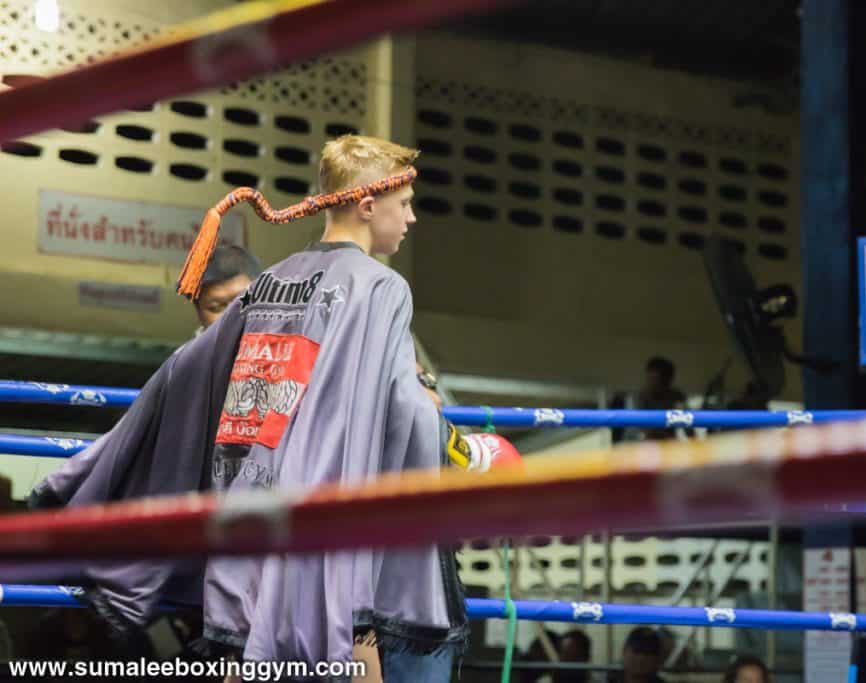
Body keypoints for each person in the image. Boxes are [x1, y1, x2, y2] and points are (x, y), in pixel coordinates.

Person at [19, 134, 523, 680]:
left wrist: (82, 473)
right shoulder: (382, 287)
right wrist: (464, 455)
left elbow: (179, 379)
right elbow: (405, 411)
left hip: (242, 523)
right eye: (405, 204)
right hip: (321, 531)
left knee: (244, 658)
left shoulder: (266, 284)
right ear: (367, 204)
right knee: (355, 655)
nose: (413, 218)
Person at [611, 356, 688, 442]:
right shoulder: (638, 397)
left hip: (666, 446)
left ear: (668, 380)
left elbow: (687, 423)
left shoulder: (676, 397)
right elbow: (644, 431)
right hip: (636, 444)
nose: (653, 383)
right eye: (651, 379)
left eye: (658, 380)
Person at [192, 244, 262, 333]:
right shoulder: (195, 347)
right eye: (216, 307)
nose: (232, 317)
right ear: (199, 314)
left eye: (245, 301)